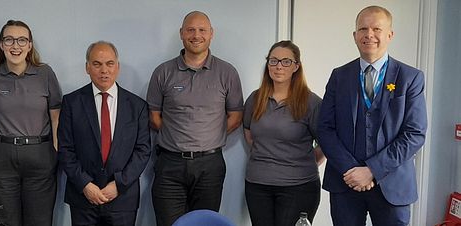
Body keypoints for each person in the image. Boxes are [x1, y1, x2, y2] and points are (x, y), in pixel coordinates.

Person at [318, 5, 427, 226]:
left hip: (392, 186)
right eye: (363, 29)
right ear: (355, 36)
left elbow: (414, 134)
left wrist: (372, 171)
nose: (369, 34)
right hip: (345, 182)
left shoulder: (411, 78)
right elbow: (325, 128)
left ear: (390, 35)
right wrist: (351, 170)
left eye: (377, 28)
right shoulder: (339, 76)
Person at [146, 11, 244, 226]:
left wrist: (207, 136)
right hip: (169, 164)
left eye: (202, 30)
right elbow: (153, 117)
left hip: (210, 165)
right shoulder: (163, 72)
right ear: (182, 33)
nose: (196, 35)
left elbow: (236, 117)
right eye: (190, 29)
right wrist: (178, 137)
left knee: (205, 223)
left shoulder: (227, 72)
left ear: (211, 34)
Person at [0, 20, 62, 226]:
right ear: (1, 44)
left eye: (22, 40)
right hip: (1, 158)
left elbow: (56, 116)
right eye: (9, 40)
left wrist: (56, 151)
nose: (16, 46)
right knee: (4, 222)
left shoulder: (45, 74)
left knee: (39, 221)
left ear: (30, 45)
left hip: (40, 156)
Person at [58, 41, 151, 226]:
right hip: (83, 197)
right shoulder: (71, 102)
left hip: (122, 199)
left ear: (117, 67)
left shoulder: (137, 106)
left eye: (109, 64)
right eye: (97, 64)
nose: (104, 70)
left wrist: (118, 185)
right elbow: (65, 149)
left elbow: (143, 150)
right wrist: (85, 185)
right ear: (87, 67)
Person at [242, 40, 324, 226]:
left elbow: (325, 144)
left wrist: (307, 161)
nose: (279, 66)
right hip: (258, 185)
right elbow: (248, 132)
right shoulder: (255, 99)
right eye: (273, 61)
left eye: (286, 61)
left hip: (299, 187)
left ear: (296, 66)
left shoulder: (311, 103)